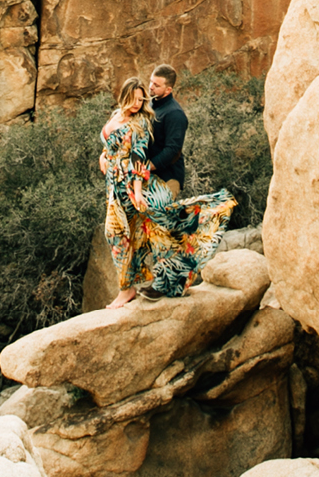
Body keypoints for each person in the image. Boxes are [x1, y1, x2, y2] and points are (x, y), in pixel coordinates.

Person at [99, 73, 234, 308]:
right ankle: (142, 284)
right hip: (114, 187)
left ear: (168, 89)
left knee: (132, 230)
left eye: (142, 100)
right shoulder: (116, 116)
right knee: (125, 233)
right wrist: (103, 156)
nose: (138, 103)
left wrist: (139, 191)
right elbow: (110, 144)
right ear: (124, 96)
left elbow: (141, 156)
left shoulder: (145, 121)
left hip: (134, 185)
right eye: (135, 98)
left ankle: (143, 285)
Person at [147, 64, 187, 201]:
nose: (151, 86)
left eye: (156, 85)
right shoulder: (151, 104)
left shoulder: (175, 114)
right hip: (150, 175)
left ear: (168, 90)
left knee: (159, 216)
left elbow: (173, 149)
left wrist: (148, 166)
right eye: (151, 81)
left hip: (168, 177)